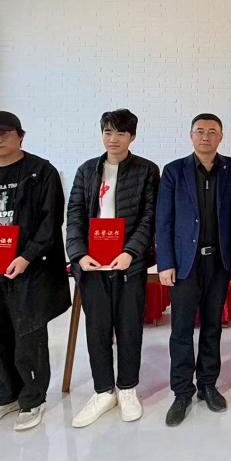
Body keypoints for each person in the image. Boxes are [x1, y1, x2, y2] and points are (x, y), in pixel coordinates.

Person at [0, 111, 71, 431]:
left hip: (28, 271)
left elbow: (51, 221)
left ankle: (33, 398)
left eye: (3, 134)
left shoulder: (40, 172)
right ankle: (7, 393)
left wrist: (26, 256)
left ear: (20, 136)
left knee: (28, 337)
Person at [65, 109, 160, 427]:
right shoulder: (87, 170)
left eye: (120, 133)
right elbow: (74, 214)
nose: (113, 139)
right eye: (108, 132)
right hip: (92, 264)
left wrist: (132, 252)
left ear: (132, 136)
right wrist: (78, 254)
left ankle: (128, 388)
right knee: (98, 329)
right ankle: (103, 390)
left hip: (129, 263)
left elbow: (149, 215)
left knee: (130, 327)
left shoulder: (147, 170)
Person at [157, 113, 231, 426]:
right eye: (200, 131)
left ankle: (208, 384)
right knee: (181, 329)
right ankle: (182, 391)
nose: (205, 136)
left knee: (212, 326)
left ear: (221, 136)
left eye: (212, 131)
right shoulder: (174, 171)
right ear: (190, 135)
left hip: (218, 261)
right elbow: (164, 219)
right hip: (185, 262)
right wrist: (166, 262)